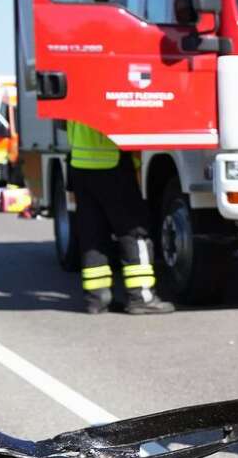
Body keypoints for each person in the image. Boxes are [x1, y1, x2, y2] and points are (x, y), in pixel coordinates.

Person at [65, 120, 173, 315]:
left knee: (93, 235)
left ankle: (97, 298)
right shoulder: (102, 92)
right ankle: (141, 297)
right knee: (134, 230)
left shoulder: (80, 90)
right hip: (112, 162)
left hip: (80, 164)